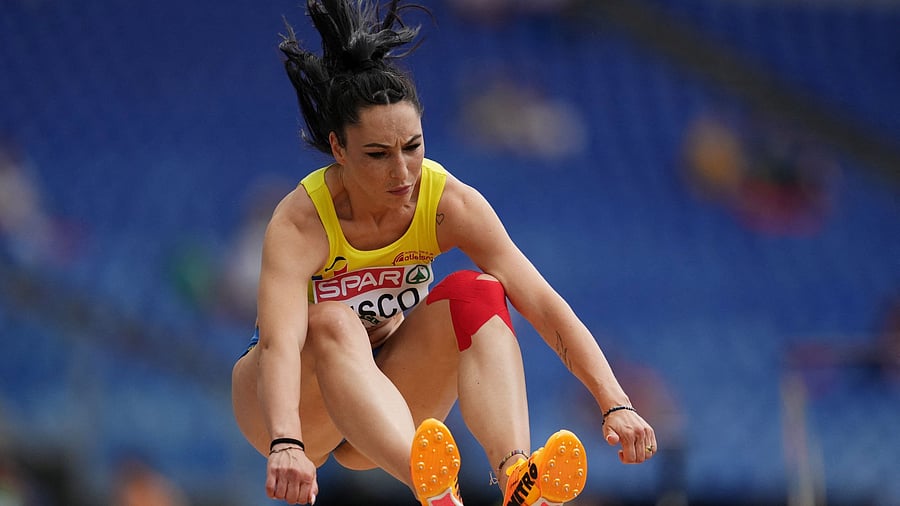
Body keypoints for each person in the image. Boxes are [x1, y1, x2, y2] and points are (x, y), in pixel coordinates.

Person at [230, 1, 657, 505]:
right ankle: (429, 484)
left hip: (389, 395)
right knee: (333, 323)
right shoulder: (302, 220)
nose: (403, 173)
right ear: (338, 149)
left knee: (477, 292)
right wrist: (286, 442)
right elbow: (279, 342)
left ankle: (515, 474)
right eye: (377, 155)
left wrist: (615, 402)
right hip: (298, 405)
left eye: (413, 146)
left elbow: (538, 299)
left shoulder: (447, 202)